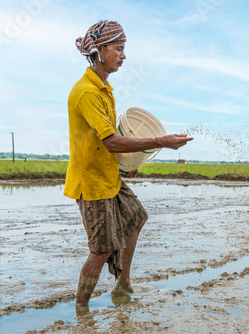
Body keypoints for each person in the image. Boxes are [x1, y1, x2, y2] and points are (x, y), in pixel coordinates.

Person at [64, 20, 193, 310]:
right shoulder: (87, 92)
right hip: (92, 183)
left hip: (109, 175)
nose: (123, 55)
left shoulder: (104, 88)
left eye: (124, 49)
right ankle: (81, 309)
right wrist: (160, 141)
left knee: (137, 218)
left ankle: (123, 284)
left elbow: (104, 141)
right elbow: (110, 141)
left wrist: (125, 167)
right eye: (119, 49)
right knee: (101, 249)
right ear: (100, 51)